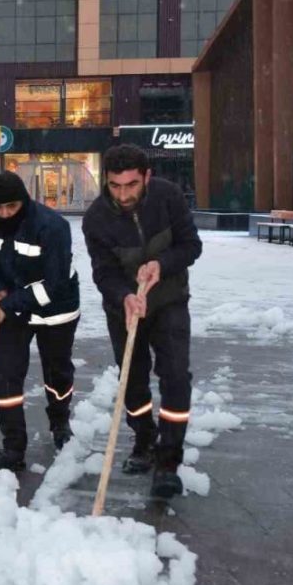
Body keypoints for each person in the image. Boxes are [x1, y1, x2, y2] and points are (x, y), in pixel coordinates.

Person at [81, 144, 202, 498]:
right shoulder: (96, 219)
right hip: (125, 308)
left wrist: (161, 265)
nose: (123, 194)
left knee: (176, 376)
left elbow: (191, 245)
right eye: (115, 186)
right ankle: (145, 439)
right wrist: (125, 296)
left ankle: (168, 460)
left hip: (169, 302)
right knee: (132, 381)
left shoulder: (168, 198)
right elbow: (103, 272)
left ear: (147, 177)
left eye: (131, 185)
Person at [0, 171, 80, 473]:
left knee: (57, 371)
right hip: (13, 310)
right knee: (5, 374)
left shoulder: (52, 226)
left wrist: (10, 301)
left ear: (24, 201)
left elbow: (54, 282)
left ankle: (59, 421)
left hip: (56, 308)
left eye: (12, 207)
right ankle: (13, 446)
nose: (5, 214)